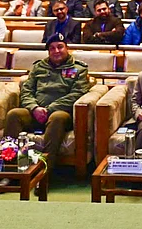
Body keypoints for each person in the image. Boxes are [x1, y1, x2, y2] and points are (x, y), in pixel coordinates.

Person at [5, 33, 90, 170]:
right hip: (35, 111)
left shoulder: (78, 69)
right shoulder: (39, 67)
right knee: (14, 114)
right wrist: (34, 108)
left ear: (67, 48)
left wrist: (49, 109)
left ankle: (44, 171)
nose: (56, 51)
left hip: (61, 114)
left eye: (60, 47)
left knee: (57, 117)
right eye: (52, 48)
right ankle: (11, 169)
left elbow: (77, 94)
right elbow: (26, 91)